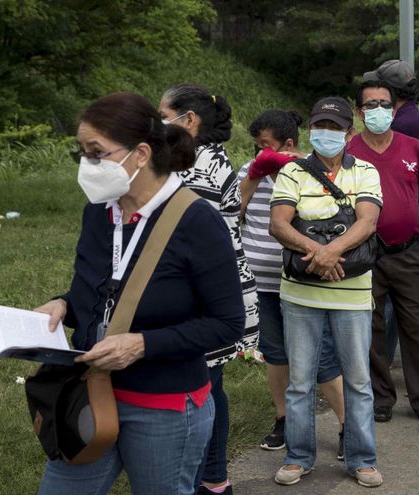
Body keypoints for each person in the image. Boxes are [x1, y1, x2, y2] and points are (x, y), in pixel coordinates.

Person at [35, 92, 245, 494]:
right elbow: (107, 289)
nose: (87, 166)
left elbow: (227, 323)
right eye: (81, 153)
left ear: (142, 153)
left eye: (96, 153)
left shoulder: (197, 221)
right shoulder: (99, 211)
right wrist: (66, 304)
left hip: (164, 405)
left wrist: (143, 345)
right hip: (90, 392)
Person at [269, 96, 383, 487]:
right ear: (310, 131)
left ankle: (362, 458)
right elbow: (279, 224)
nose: (326, 134)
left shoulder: (366, 171)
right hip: (300, 293)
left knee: (358, 381)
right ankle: (298, 456)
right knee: (300, 381)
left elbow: (367, 222)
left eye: (335, 128)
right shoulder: (292, 174)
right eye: (320, 127)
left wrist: (329, 250)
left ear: (349, 133)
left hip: (352, 294)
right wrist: (319, 251)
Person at [159, 84, 259, 494]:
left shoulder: (199, 167)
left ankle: (213, 478)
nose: (156, 121)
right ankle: (213, 476)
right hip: (213, 287)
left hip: (206, 293)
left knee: (204, 390)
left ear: (189, 120)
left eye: (162, 114)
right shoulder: (202, 159)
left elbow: (179, 233)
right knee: (208, 386)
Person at [236, 110, 347, 462]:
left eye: (266, 147)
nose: (260, 153)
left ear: (288, 144)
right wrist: (254, 174)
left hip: (301, 279)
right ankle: (283, 418)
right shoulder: (249, 171)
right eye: (256, 147)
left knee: (323, 356)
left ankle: (348, 426)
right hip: (261, 282)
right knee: (275, 353)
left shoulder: (312, 172)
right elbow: (233, 209)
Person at [346, 80, 419, 426]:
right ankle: (381, 397)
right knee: (370, 329)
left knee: (417, 327)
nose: (377, 111)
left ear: (394, 108)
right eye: (370, 105)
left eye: (383, 104)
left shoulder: (413, 147)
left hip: (407, 253)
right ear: (360, 113)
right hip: (365, 254)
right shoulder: (349, 151)